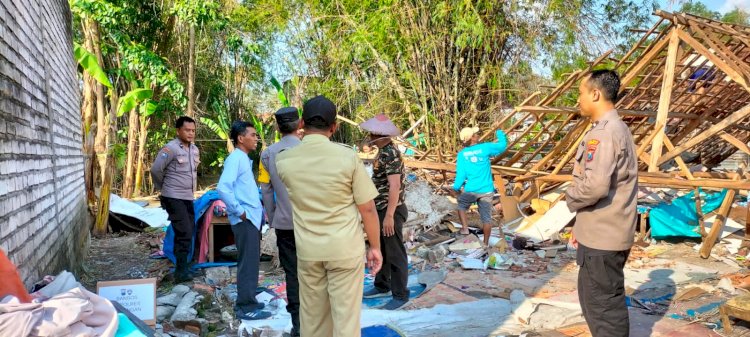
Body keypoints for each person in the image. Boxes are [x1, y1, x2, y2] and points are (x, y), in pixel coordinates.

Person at [276, 95, 383, 337]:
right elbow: (367, 208)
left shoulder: (283, 161)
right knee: (345, 322)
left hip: (309, 252)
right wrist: (374, 247)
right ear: (334, 127)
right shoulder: (347, 157)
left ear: (301, 123)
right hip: (345, 250)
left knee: (313, 323)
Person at [566, 69, 637, 337]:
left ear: (595, 94)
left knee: (604, 310)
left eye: (581, 94)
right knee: (597, 302)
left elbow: (595, 186)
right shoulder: (617, 128)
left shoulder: (604, 134)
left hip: (602, 240)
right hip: (604, 232)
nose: (579, 100)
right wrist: (580, 224)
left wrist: (569, 198)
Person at [217, 121, 271, 320]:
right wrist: (239, 211)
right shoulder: (236, 159)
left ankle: (250, 299)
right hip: (245, 220)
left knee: (251, 262)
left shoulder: (243, 159)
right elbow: (223, 188)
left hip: (252, 219)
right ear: (241, 138)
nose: (256, 138)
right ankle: (245, 306)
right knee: (247, 263)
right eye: (253, 135)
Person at [360, 114, 410, 310]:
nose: (369, 136)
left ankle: (400, 294)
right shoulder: (382, 152)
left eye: (372, 133)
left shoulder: (390, 153)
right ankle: (382, 284)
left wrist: (389, 216)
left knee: (395, 252)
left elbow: (395, 186)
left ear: (379, 134)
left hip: (391, 210)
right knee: (381, 249)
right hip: (380, 207)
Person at [259, 107, 302, 336]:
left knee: (292, 274)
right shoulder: (309, 150)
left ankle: (298, 326)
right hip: (312, 225)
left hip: (285, 225)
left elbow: (266, 191)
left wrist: (273, 217)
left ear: (277, 127)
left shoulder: (267, 155)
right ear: (300, 124)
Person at [150, 116, 199, 282]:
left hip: (187, 197)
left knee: (188, 230)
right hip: (173, 196)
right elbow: (156, 170)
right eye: (187, 130)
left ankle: (183, 267)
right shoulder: (170, 149)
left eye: (193, 130)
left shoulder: (194, 150)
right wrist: (163, 189)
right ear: (178, 131)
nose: (190, 133)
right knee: (184, 231)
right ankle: (181, 271)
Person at [452, 127, 508, 246]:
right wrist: (499, 133)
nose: (478, 135)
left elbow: (461, 174)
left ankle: (465, 228)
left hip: (471, 190)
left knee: (461, 206)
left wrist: (456, 187)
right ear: (472, 137)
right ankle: (485, 244)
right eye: (476, 134)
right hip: (486, 190)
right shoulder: (485, 147)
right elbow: (502, 146)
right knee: (486, 219)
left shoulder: (462, 155)